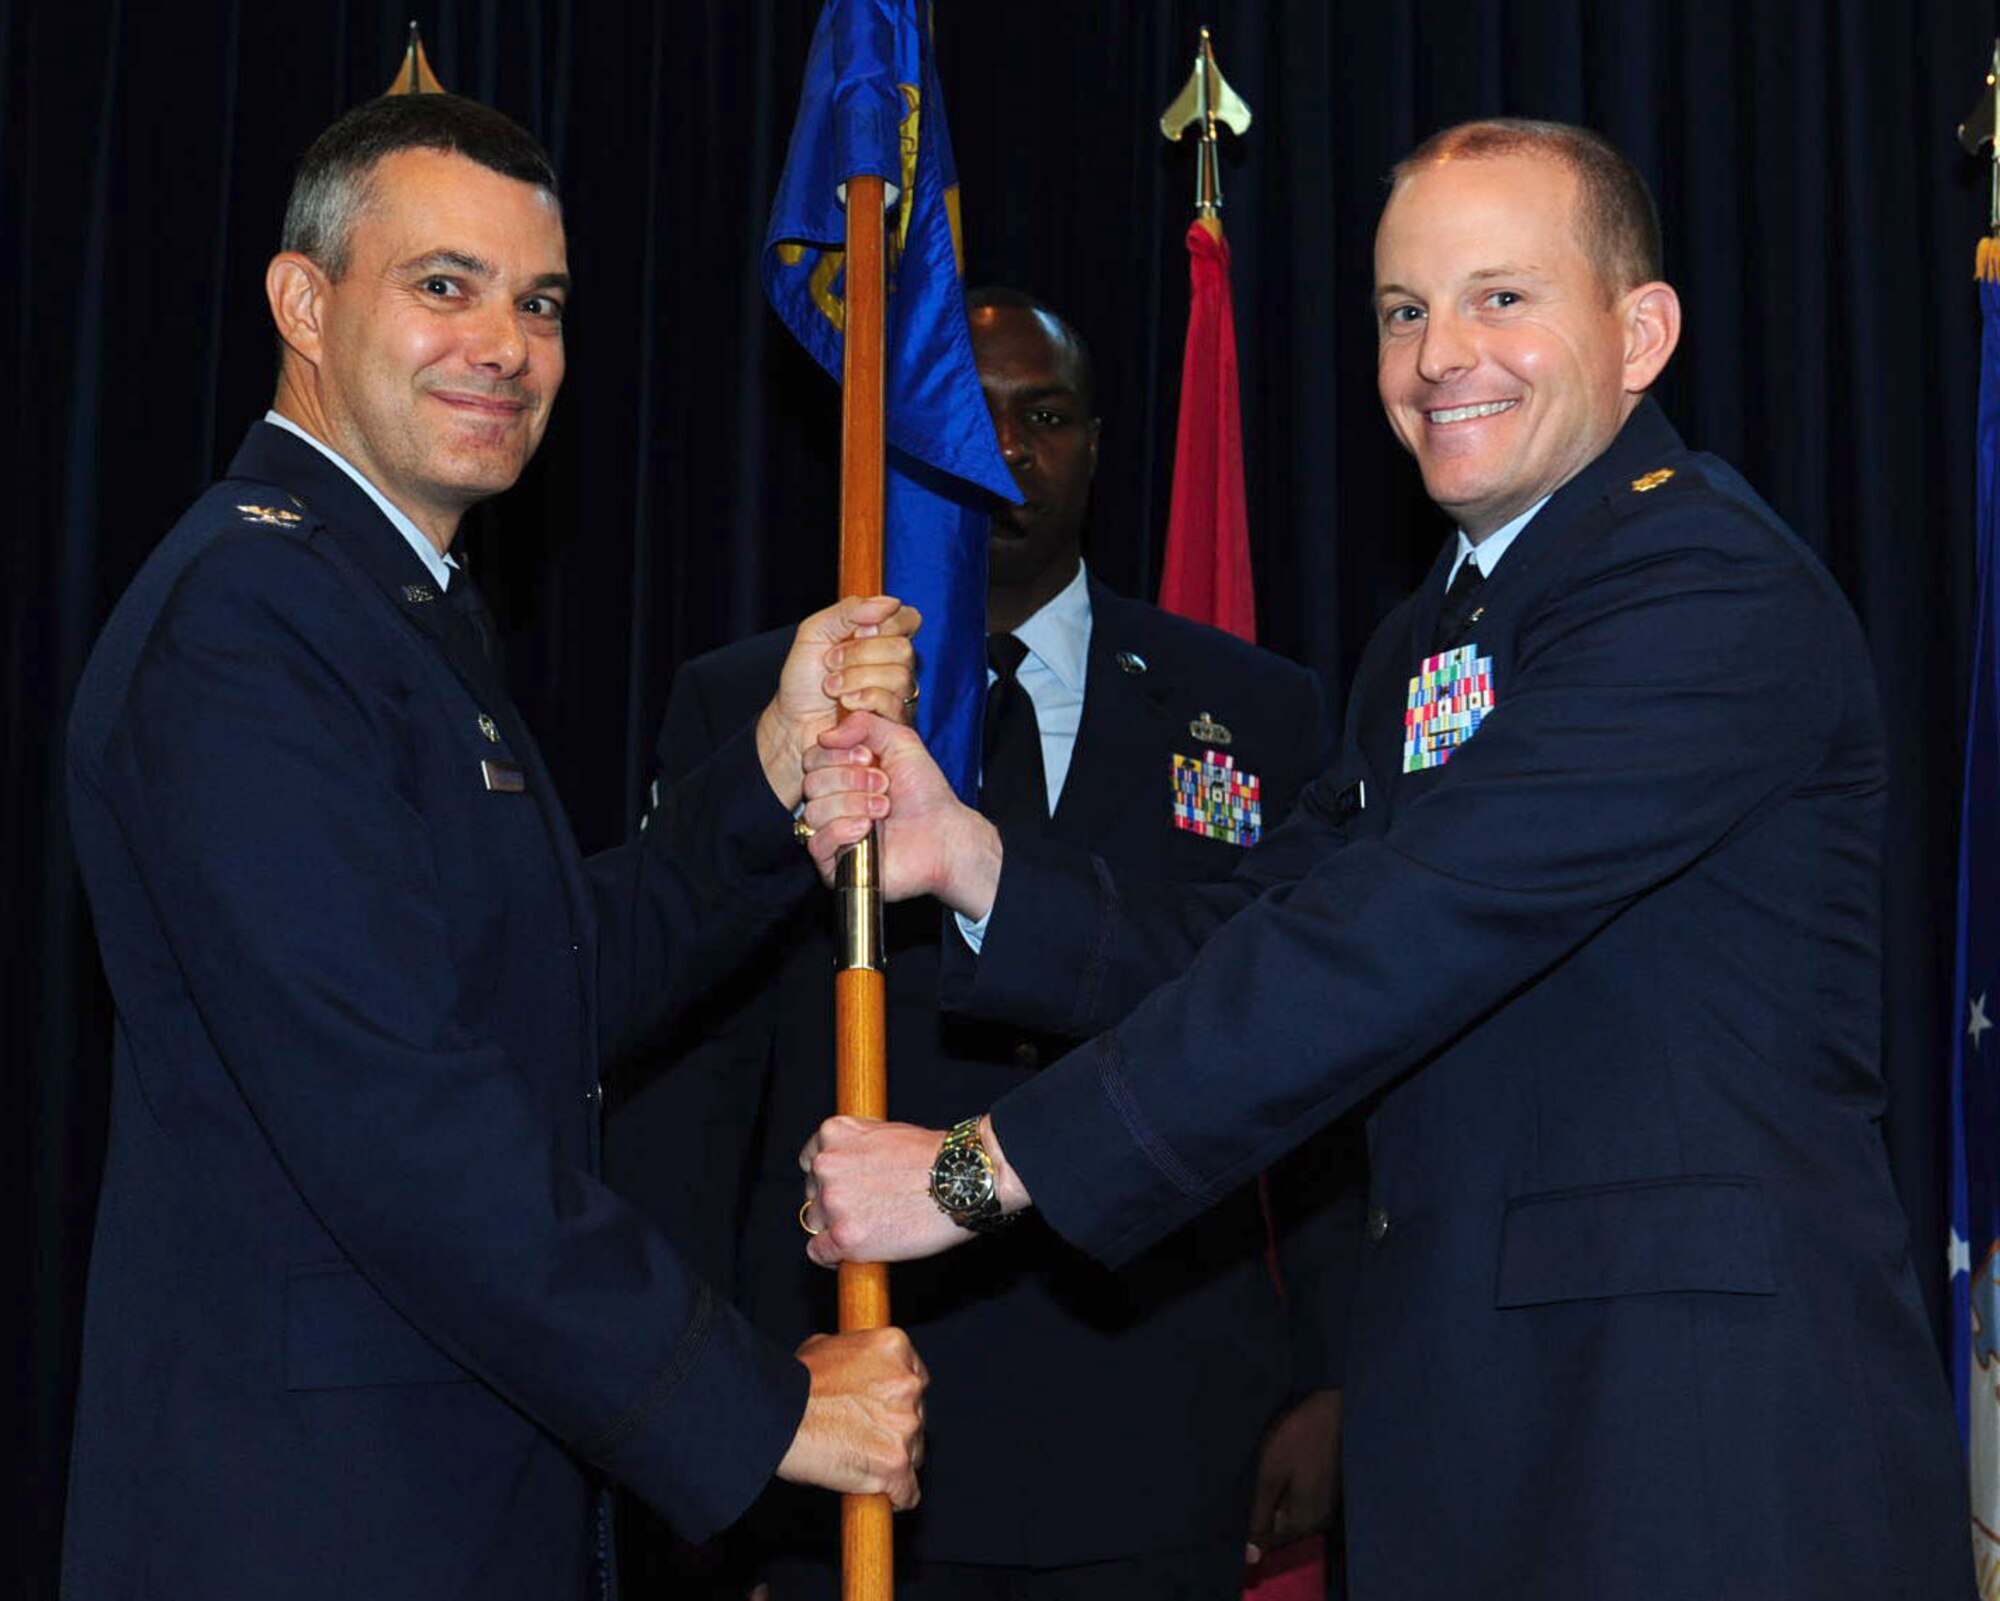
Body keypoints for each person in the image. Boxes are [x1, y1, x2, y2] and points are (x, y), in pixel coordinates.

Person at [794, 120, 1973, 1599]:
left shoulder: (1703, 590)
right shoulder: (1435, 633)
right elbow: (1267, 926)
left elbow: (1387, 946)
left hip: (1691, 1455)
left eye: (1503, 298)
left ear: (1641, 332)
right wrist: (970, 862)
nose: (1439, 357)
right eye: (1405, 311)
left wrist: (977, 1173)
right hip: (1473, 1446)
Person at [61, 92, 928, 1601]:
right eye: (444, 285)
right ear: (304, 304)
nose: (506, 344)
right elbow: (402, 1115)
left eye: (540, 304)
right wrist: (758, 1404)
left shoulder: (384, 609)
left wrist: (776, 772)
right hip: (316, 1531)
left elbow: (537, 987)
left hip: (434, 1502)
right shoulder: (250, 626)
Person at [607, 288, 1359, 1599]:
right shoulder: (765, 702)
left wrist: (1331, 1372)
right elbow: (685, 1088)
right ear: (902, 442)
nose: (1009, 452)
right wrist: (696, 1414)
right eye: (972, 417)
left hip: (1164, 1411)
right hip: (851, 1409)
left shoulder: (1255, 705)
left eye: (1047, 415)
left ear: (1099, 443)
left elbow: (1315, 1062)